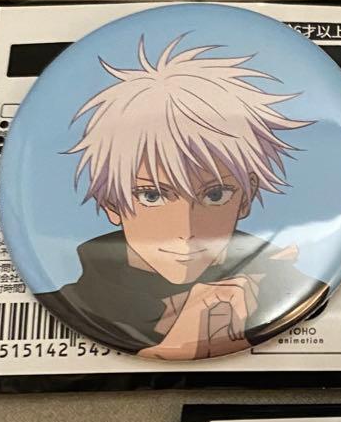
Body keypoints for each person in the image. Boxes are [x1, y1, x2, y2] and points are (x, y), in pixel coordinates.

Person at [38, 37, 323, 359]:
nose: (186, 231)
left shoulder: (294, 288)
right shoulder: (68, 305)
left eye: (215, 194)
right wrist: (168, 352)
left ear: (246, 197)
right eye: (152, 195)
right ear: (111, 203)